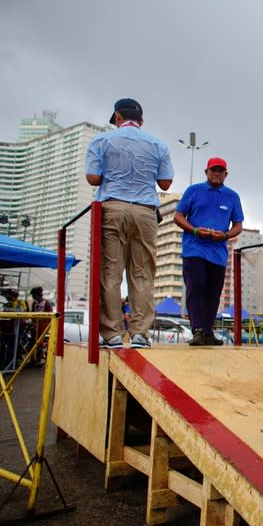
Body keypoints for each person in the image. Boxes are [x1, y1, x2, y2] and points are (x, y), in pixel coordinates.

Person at [85, 98, 174, 349]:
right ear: (141, 121)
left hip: (112, 208)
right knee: (143, 274)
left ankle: (112, 334)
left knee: (111, 273)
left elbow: (92, 178)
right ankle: (139, 334)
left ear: (117, 117)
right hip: (145, 212)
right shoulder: (157, 144)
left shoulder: (101, 141)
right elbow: (165, 183)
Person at [174, 157, 243, 346]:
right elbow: (178, 216)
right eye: (213, 170)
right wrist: (195, 230)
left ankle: (207, 331)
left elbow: (238, 225)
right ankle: (197, 329)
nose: (216, 174)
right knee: (196, 286)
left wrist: (226, 235)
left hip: (218, 253)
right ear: (206, 172)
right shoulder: (193, 191)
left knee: (213, 292)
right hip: (194, 249)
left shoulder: (232, 196)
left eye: (220, 171)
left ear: (226, 174)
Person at [29, 287, 52, 365]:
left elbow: (50, 315)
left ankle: (41, 358)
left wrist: (48, 326)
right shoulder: (34, 303)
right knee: (33, 342)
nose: (33, 297)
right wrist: (33, 323)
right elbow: (32, 315)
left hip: (43, 326)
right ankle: (33, 358)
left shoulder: (46, 303)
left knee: (41, 343)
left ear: (38, 295)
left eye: (33, 295)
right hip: (35, 326)